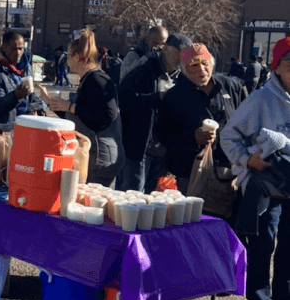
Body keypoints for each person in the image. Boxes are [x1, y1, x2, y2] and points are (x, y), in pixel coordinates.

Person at [221, 37, 290, 300]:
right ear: (277, 67)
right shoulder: (261, 99)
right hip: (267, 186)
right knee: (263, 246)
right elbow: (228, 136)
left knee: (288, 249)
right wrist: (249, 161)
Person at [153, 42, 244, 194]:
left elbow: (247, 123)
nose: (201, 69)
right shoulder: (174, 96)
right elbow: (163, 135)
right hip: (189, 173)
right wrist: (192, 138)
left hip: (228, 170)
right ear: (183, 69)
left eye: (204, 63)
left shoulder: (232, 87)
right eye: (194, 65)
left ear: (212, 64)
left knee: (227, 216)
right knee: (193, 217)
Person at [48, 29, 124, 185]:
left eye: (68, 56)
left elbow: (107, 115)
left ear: (76, 57)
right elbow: (84, 115)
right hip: (98, 153)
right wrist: (59, 106)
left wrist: (70, 107)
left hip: (102, 156)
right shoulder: (89, 79)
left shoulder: (96, 79)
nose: (67, 60)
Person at [117, 34, 187, 192]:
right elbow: (123, 101)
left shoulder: (182, 79)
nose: (182, 58)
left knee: (150, 204)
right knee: (132, 199)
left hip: (163, 153)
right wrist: (157, 98)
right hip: (139, 149)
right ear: (167, 49)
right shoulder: (144, 71)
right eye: (179, 52)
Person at [0, 31, 45, 129]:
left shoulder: (26, 66)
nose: (17, 53)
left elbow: (30, 95)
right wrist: (15, 96)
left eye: (20, 49)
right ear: (3, 48)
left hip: (22, 123)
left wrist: (39, 105)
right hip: (1, 125)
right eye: (13, 49)